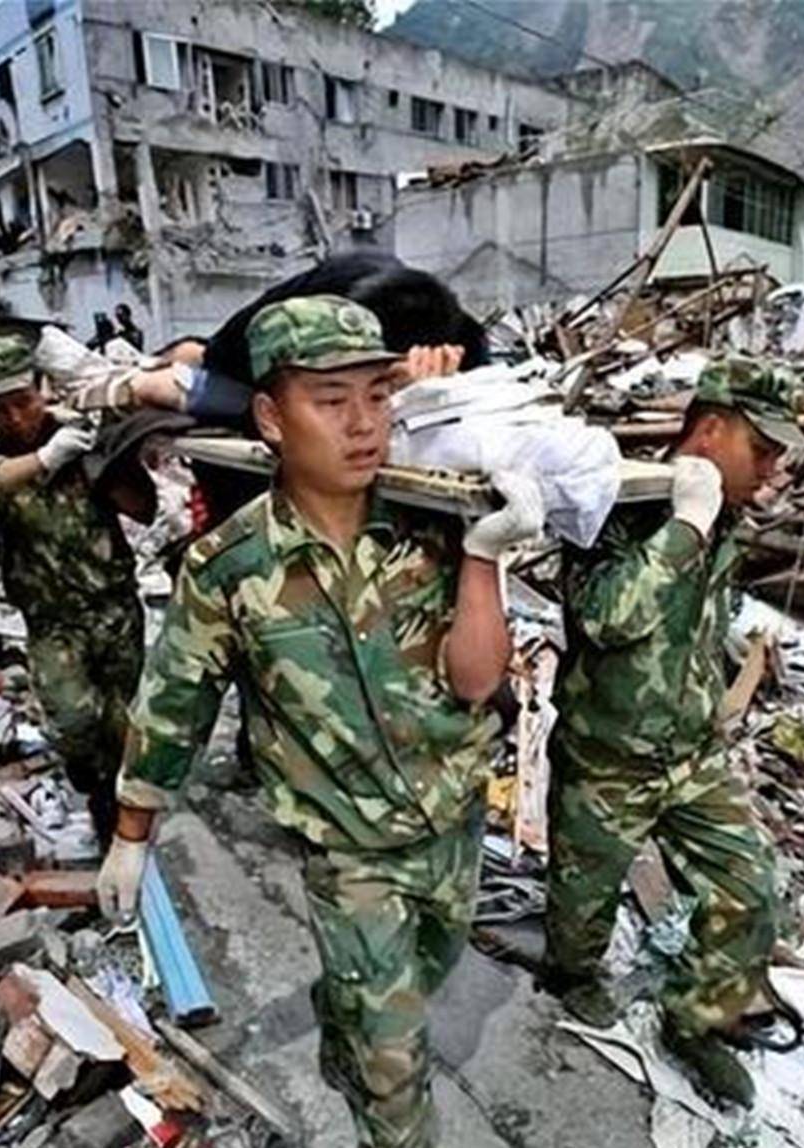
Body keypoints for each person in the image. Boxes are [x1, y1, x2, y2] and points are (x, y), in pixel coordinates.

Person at [99, 295, 543, 1148]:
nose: (363, 423)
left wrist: (484, 555)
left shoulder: (432, 521)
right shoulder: (231, 567)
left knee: (425, 974)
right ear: (271, 416)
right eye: (331, 401)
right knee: (395, 1064)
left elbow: (479, 678)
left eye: (377, 396)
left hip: (452, 825)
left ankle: (350, 1027)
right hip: (349, 854)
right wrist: (132, 829)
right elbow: (174, 702)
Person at [541, 355, 801, 1108]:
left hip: (690, 753)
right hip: (608, 756)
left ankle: (697, 1021)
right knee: (578, 924)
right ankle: (566, 987)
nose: (773, 469)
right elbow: (607, 617)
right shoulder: (616, 506)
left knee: (751, 889)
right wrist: (685, 525)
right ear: (711, 430)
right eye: (763, 449)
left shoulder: (730, 517)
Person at [0, 335, 178, 841]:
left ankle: (123, 826)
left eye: (22, 402)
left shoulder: (81, 437)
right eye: (0, 409)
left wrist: (106, 464)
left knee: (125, 730)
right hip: (52, 622)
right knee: (74, 723)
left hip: (114, 610)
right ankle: (95, 788)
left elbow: (143, 509)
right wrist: (46, 459)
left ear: (42, 390)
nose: (14, 418)